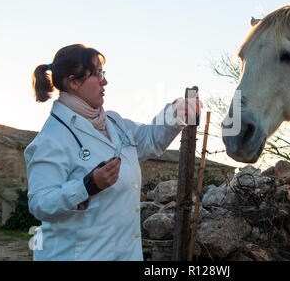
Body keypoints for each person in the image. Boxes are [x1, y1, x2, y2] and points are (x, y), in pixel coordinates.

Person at [25, 44, 202, 261]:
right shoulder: (51, 138)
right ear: (73, 82)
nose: (105, 82)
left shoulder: (114, 123)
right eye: (97, 74)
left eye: (103, 73)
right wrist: (88, 186)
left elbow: (149, 140)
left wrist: (175, 112)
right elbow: (40, 203)